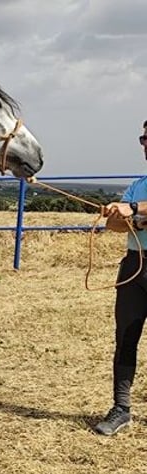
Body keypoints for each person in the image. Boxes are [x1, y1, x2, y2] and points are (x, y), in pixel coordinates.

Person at [94, 119, 147, 435]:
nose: (146, 144)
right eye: (144, 138)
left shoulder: (134, 195)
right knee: (126, 337)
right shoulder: (139, 183)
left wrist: (132, 209)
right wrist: (132, 219)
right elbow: (114, 226)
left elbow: (130, 211)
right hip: (134, 267)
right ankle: (121, 408)